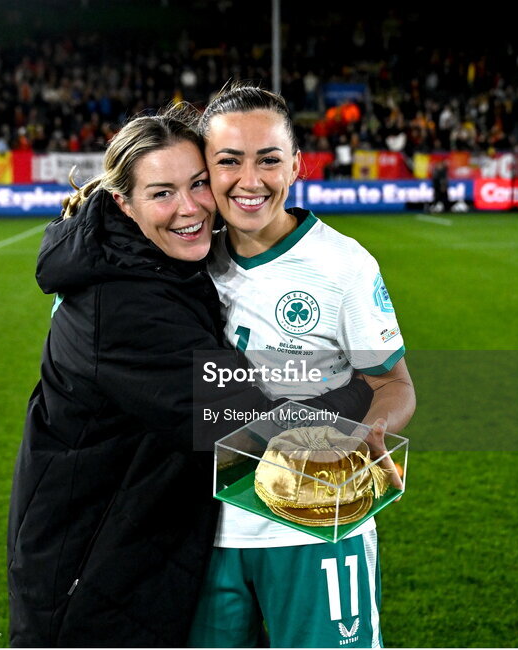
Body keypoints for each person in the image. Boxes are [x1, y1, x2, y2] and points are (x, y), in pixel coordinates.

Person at [6, 105, 374, 647]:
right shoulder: (125, 305)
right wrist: (362, 389)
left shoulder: (143, 263)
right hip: (92, 581)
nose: (190, 208)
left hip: (123, 554)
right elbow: (248, 426)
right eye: (162, 193)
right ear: (122, 203)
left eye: (198, 183)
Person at [189, 84, 416, 648]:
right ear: (206, 171)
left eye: (268, 160)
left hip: (318, 527)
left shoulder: (343, 265)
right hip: (203, 537)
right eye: (229, 161)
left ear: (296, 164)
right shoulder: (187, 259)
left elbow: (392, 382)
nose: (250, 180)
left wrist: (373, 430)